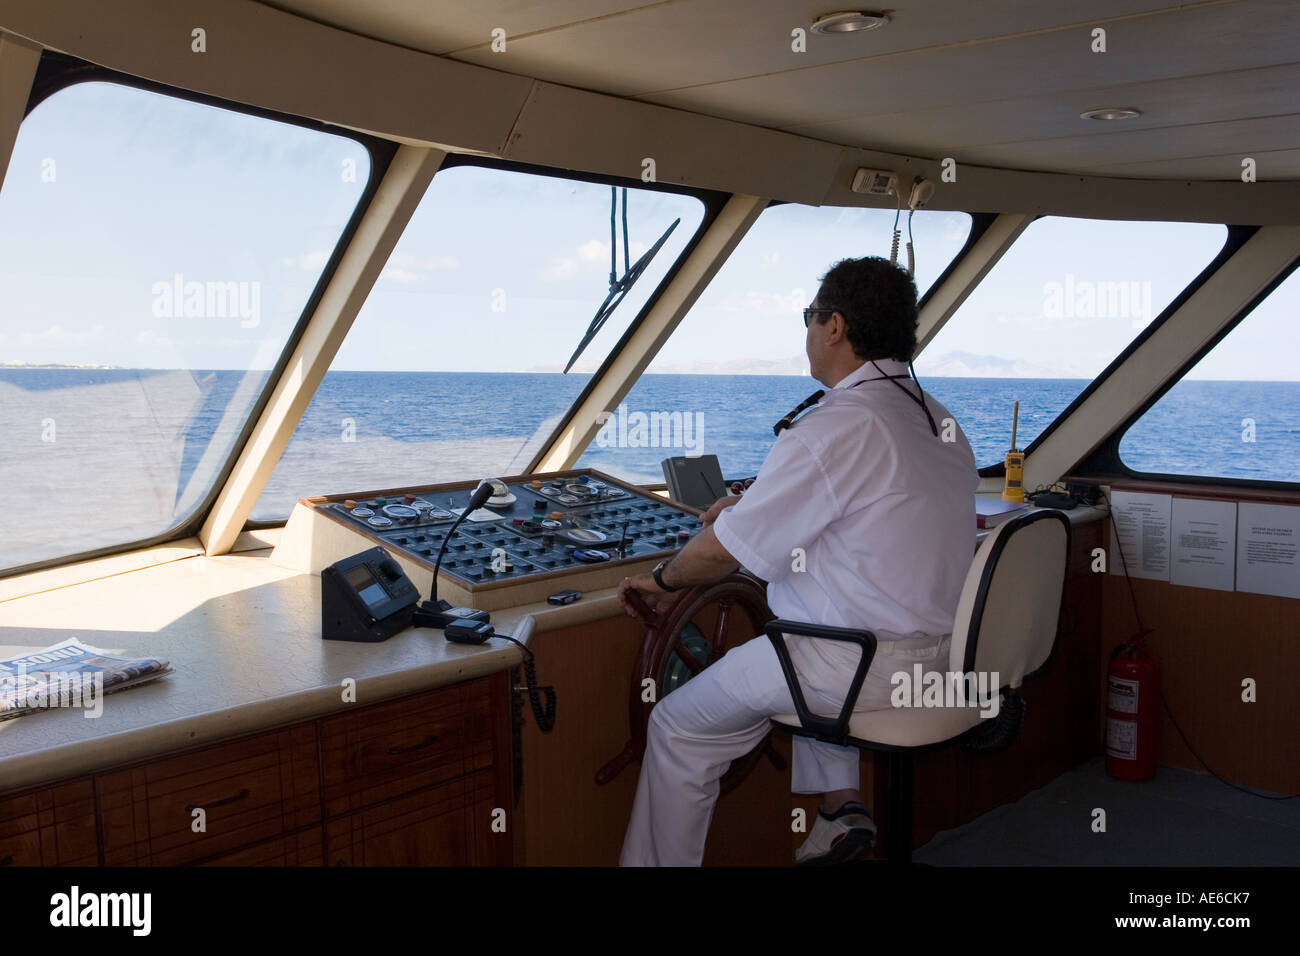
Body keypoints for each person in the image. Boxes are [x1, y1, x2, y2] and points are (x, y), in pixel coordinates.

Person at [616, 255, 979, 866]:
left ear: (833, 326)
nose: (808, 333)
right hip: (941, 655)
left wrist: (658, 580)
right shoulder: (940, 420)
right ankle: (840, 809)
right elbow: (872, 521)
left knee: (678, 727)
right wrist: (753, 505)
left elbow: (717, 557)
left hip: (846, 666)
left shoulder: (829, 428)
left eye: (810, 319)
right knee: (806, 614)